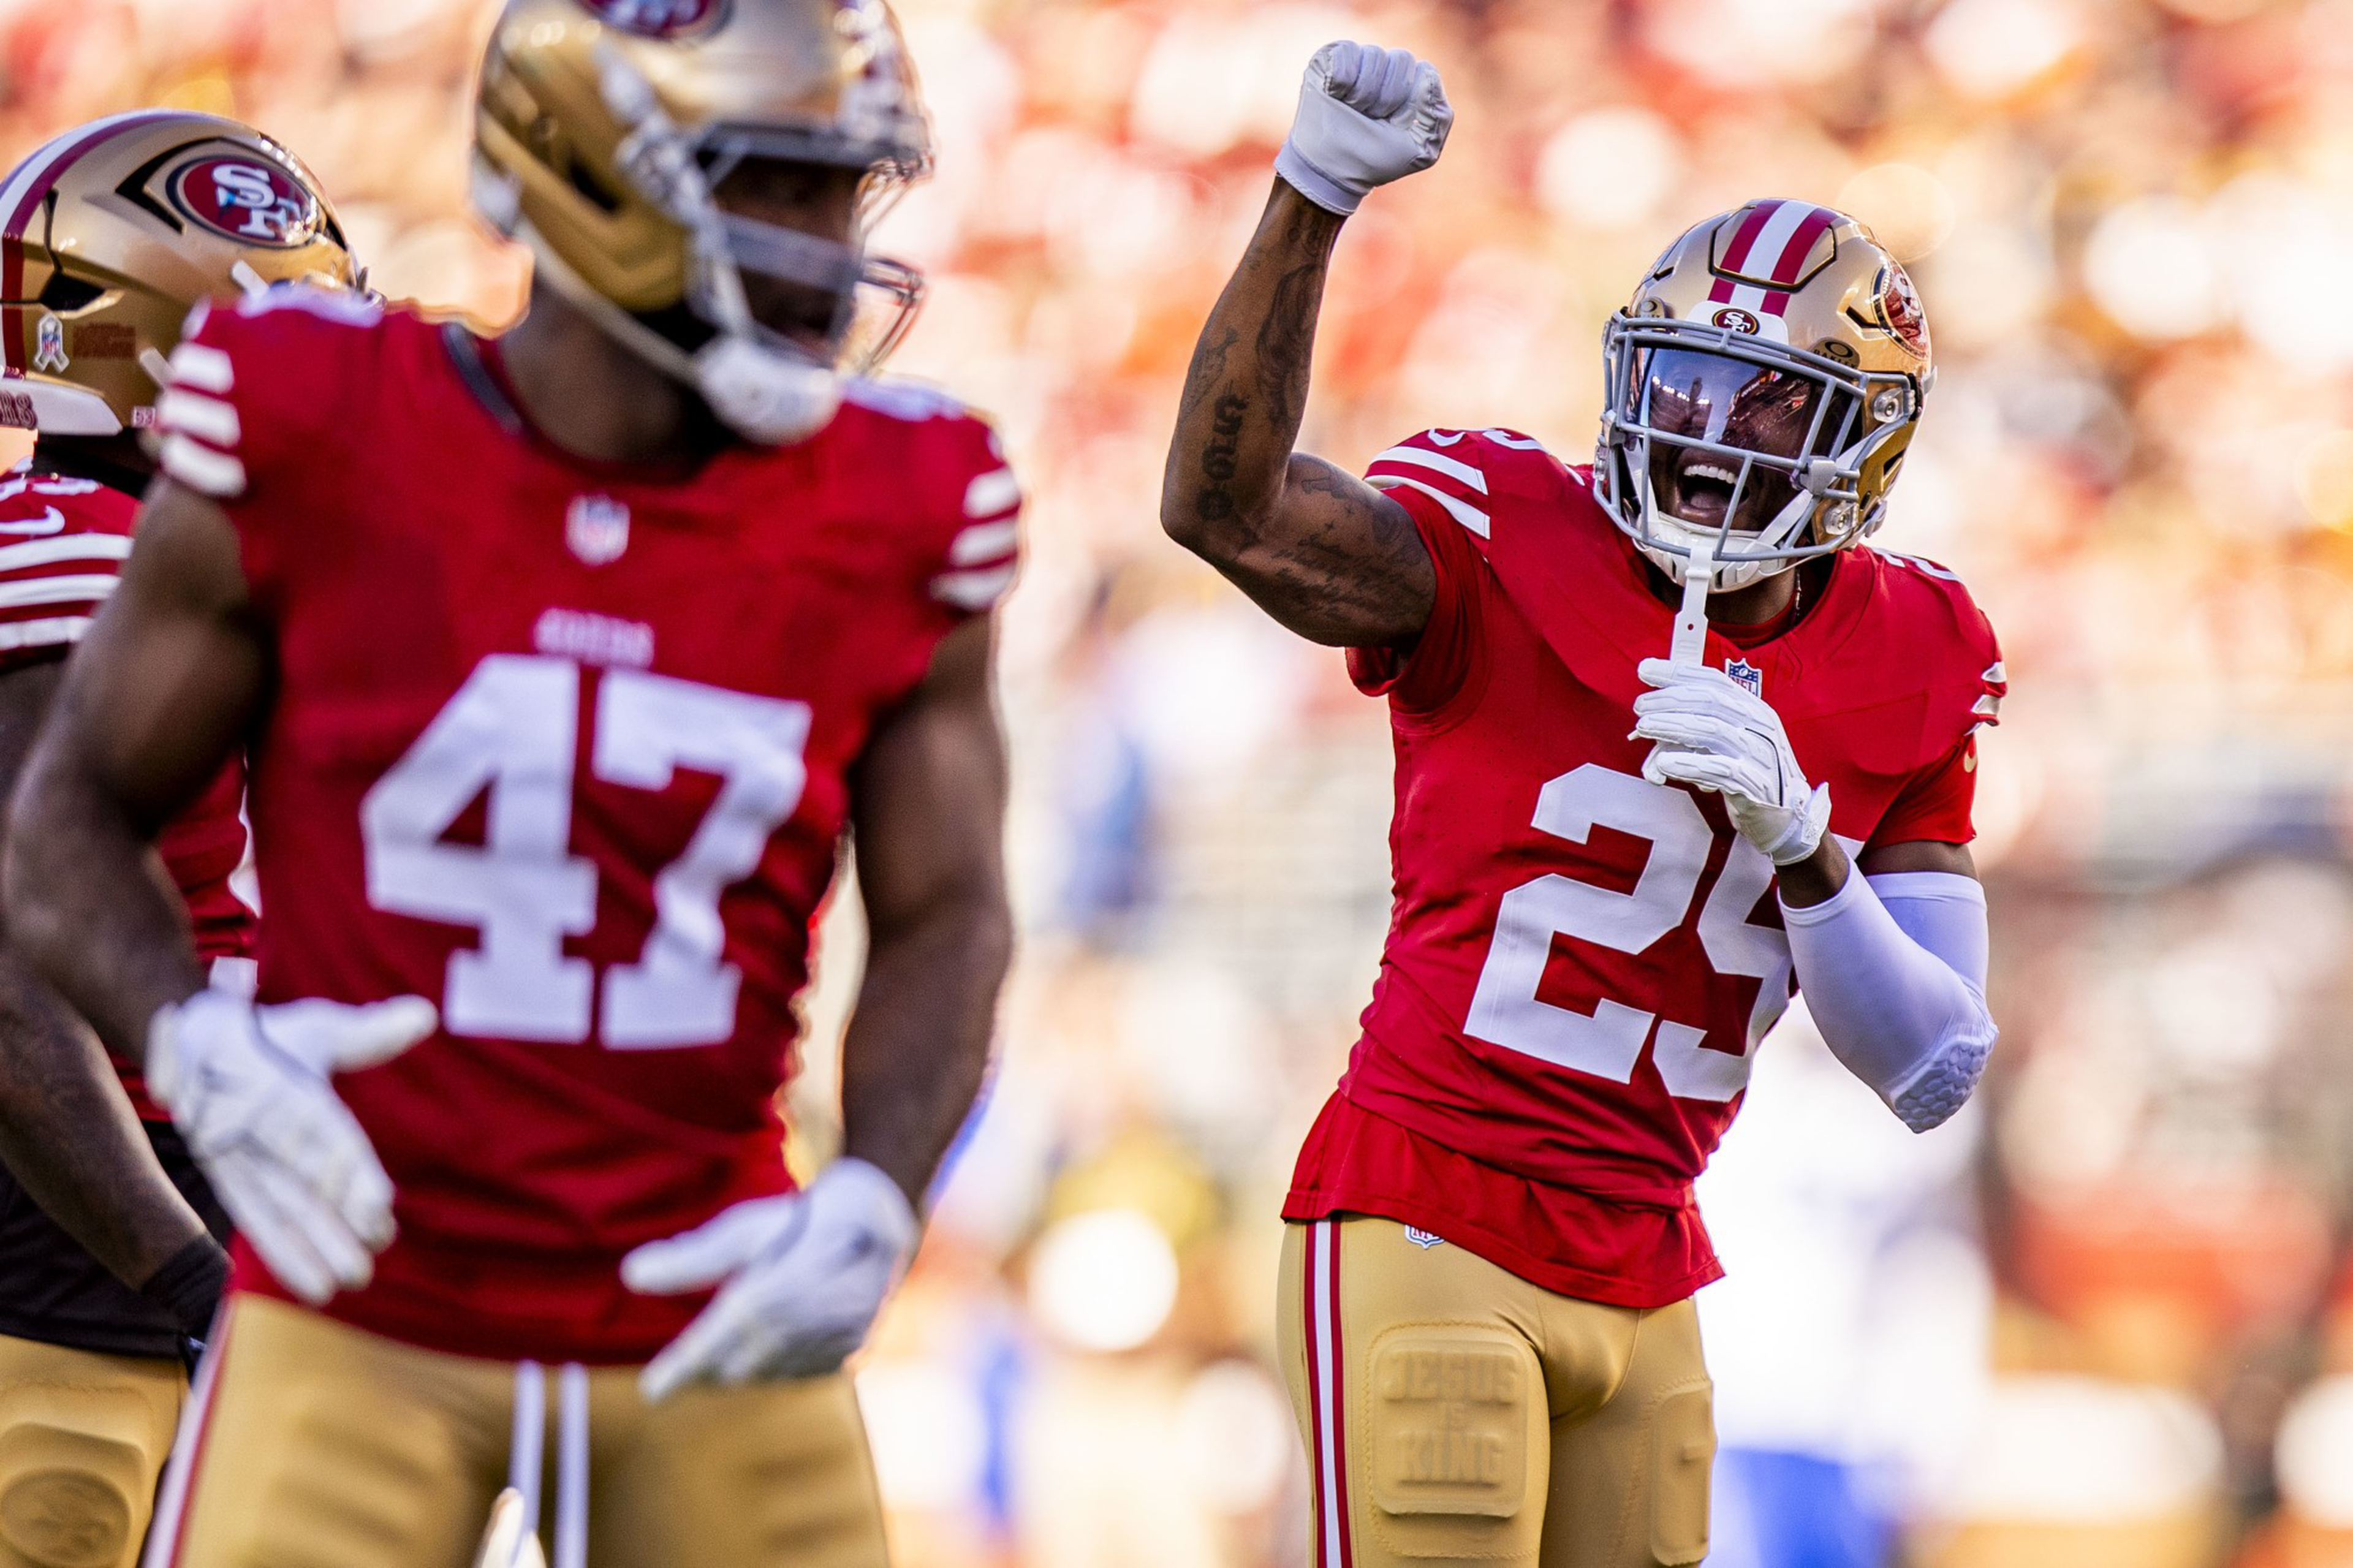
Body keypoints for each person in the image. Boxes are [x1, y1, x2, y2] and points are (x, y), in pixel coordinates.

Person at [5, 3, 1019, 1564]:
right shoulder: (310, 420)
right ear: (587, 169)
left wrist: (880, 1194)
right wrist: (191, 1047)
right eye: (776, 181)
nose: (827, 242)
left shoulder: (907, 498)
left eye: (844, 189)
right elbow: (58, 836)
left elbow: (952, 913)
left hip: (708, 1285)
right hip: (345, 1293)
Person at [1161, 43, 2003, 1568]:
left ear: (1862, 445)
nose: (1701, 435)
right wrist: (1310, 200)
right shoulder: (1499, 532)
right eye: (1682, 379)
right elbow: (1223, 508)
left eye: (1763, 408)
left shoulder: (1918, 648)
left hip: (1655, 1261)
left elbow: (1935, 1062)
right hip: (1430, 1214)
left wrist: (1807, 849)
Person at [0, 109, 361, 1568]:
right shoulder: (76, 546)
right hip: (86, 1257)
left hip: (237, 1220)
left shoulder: (249, 559)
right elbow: (16, 982)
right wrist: (196, 1283)